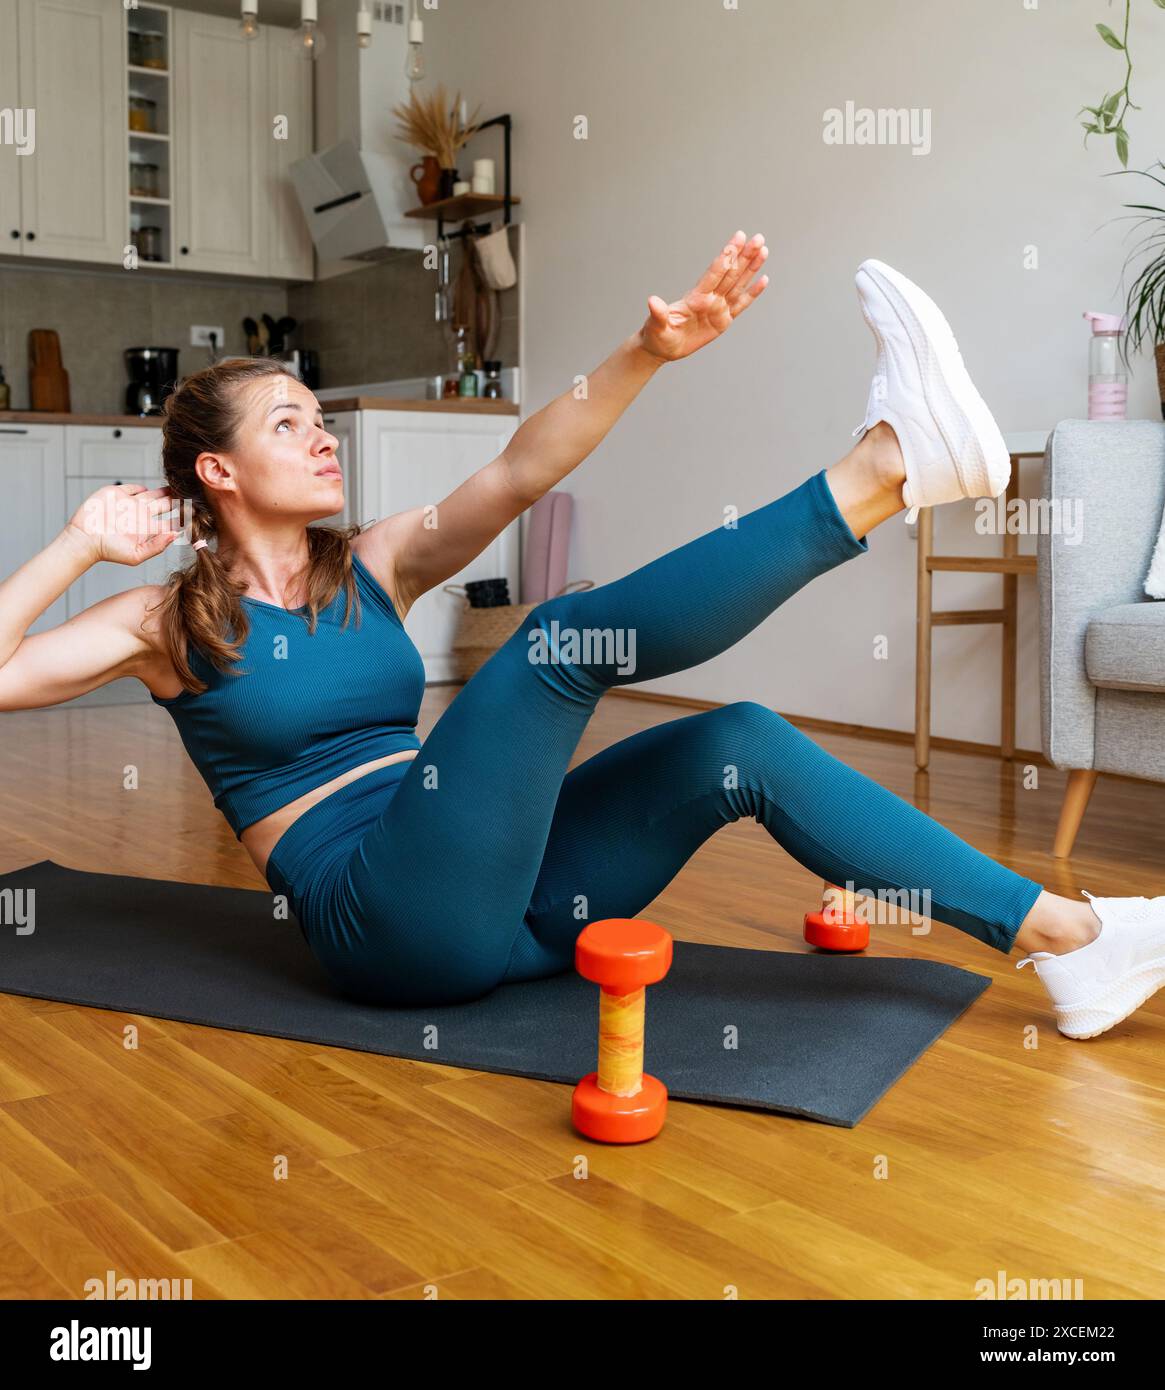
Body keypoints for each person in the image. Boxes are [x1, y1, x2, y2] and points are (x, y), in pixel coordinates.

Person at [1, 233, 1160, 1038]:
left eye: (319, 415)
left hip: (506, 908)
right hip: (382, 916)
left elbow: (519, 465)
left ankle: (1070, 941)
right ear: (217, 470)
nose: (321, 437)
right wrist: (75, 545)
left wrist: (647, 352)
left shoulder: (376, 562)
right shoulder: (163, 620)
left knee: (739, 743)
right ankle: (884, 471)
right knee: (556, 645)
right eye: (288, 422)